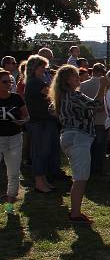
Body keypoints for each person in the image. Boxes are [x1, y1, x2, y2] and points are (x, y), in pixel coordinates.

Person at [51, 65, 107, 224]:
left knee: (79, 177)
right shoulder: (74, 96)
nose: (79, 78)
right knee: (80, 178)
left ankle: (75, 211)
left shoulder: (62, 95)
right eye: (75, 76)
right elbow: (97, 105)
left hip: (69, 136)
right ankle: (75, 213)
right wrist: (102, 86)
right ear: (67, 80)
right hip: (78, 137)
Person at [24, 55, 61, 193]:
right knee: (40, 153)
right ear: (35, 68)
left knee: (46, 152)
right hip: (40, 122)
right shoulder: (36, 83)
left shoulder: (35, 82)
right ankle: (40, 182)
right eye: (42, 68)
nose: (44, 70)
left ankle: (43, 180)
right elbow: (52, 94)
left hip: (44, 122)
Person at [0, 70, 28, 208]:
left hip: (15, 138)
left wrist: (22, 121)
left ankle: (10, 205)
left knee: (13, 172)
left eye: (10, 81)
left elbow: (26, 116)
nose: (9, 84)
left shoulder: (17, 98)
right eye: (5, 81)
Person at [79, 63, 108, 176]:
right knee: (100, 148)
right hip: (101, 120)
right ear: (102, 72)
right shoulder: (106, 85)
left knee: (88, 147)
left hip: (87, 120)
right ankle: (98, 170)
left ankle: (87, 169)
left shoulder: (82, 85)